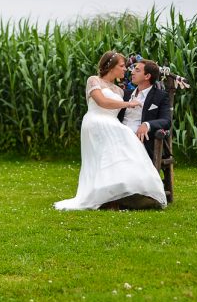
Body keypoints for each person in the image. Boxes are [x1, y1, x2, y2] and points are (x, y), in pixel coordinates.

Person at [54, 51, 167, 211]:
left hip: (113, 123)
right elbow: (102, 102)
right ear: (111, 67)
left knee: (125, 138)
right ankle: (109, 197)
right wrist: (129, 104)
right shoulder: (93, 81)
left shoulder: (120, 91)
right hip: (96, 120)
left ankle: (134, 191)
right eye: (122, 66)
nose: (125, 70)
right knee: (123, 136)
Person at [118, 59, 172, 160]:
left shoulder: (160, 96)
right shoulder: (125, 94)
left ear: (147, 76)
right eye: (133, 69)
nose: (132, 72)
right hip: (119, 134)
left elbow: (166, 121)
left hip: (139, 140)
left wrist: (147, 124)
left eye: (137, 70)